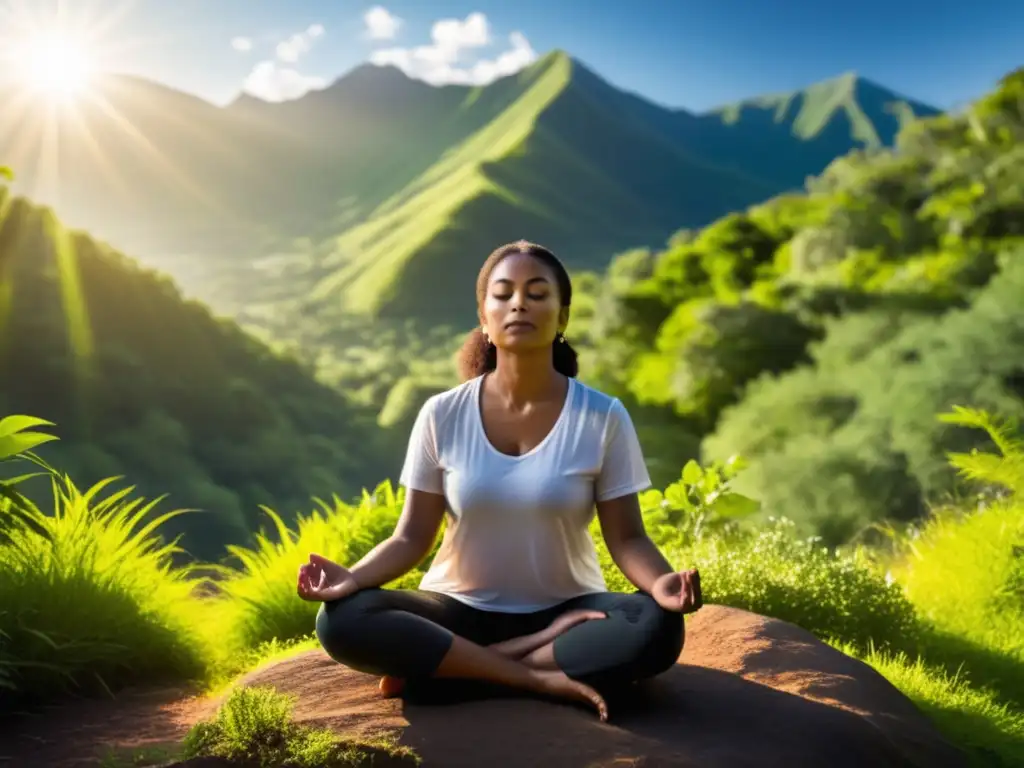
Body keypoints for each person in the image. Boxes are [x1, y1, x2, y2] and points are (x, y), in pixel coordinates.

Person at [298, 240, 703, 722]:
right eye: (504, 293)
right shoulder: (442, 414)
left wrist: (661, 585)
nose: (519, 303)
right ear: (484, 317)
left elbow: (628, 536)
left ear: (562, 316)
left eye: (537, 293)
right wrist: (352, 577)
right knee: (343, 619)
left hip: (566, 614)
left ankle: (457, 672)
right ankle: (529, 674)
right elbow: (410, 536)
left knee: (655, 625)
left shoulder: (602, 417)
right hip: (456, 612)